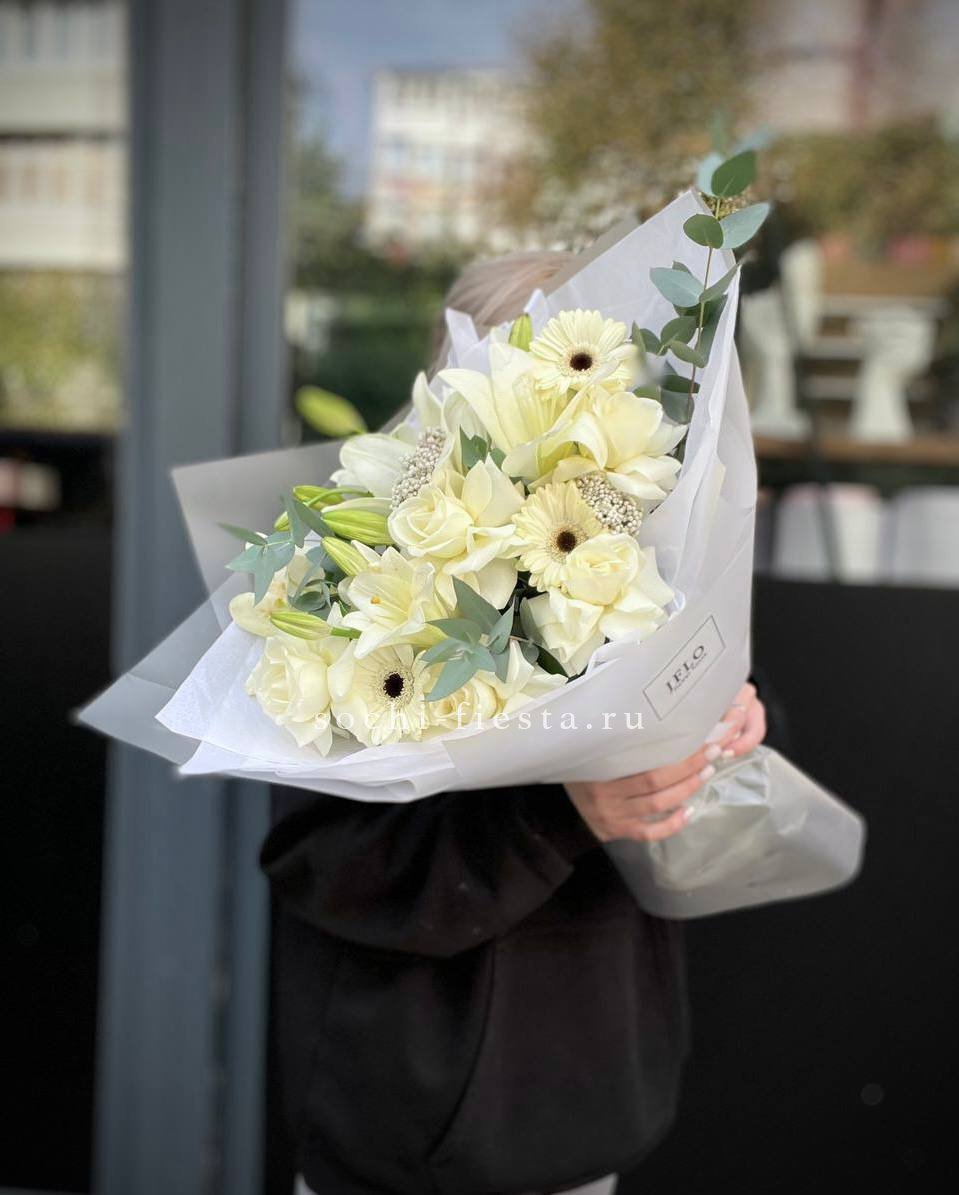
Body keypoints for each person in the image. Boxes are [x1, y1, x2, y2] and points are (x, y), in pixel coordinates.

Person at [264, 251, 768, 1195]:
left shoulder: (641, 547)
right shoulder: (351, 583)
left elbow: (688, 792)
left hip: (593, 1109)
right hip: (407, 1135)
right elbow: (320, 861)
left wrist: (724, 720)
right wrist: (558, 814)